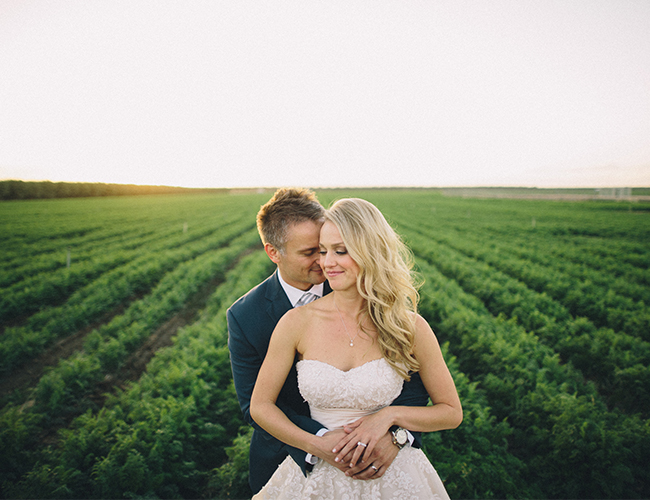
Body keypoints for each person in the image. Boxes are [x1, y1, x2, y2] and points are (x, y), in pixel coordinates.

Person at [249, 198, 463, 499]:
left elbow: (451, 412)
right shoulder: (296, 322)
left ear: (370, 251)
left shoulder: (410, 326)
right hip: (316, 472)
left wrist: (389, 419)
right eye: (323, 251)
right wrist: (315, 444)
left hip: (393, 474)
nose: (328, 262)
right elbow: (260, 406)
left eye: (341, 250)